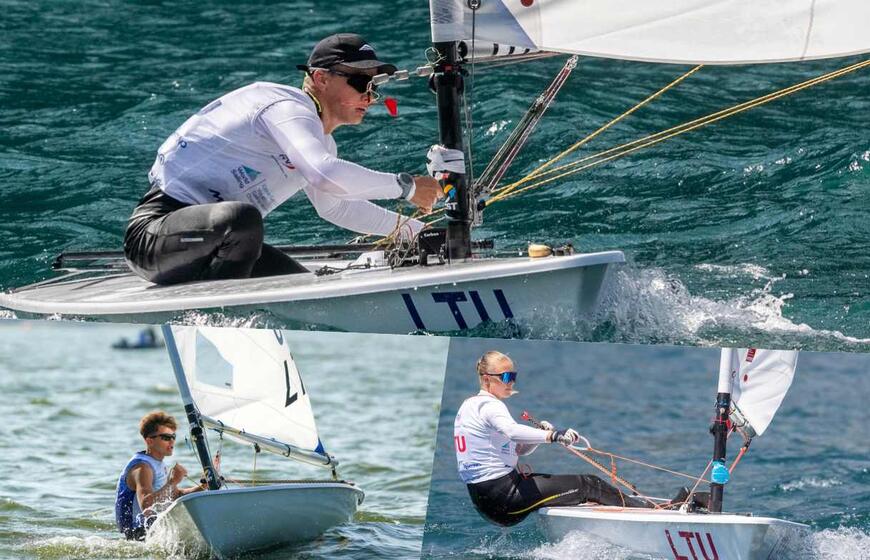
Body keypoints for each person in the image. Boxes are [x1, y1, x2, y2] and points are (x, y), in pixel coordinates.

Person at [124, 33, 453, 285]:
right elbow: (324, 173)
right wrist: (408, 187)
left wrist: (418, 233)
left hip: (221, 240)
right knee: (243, 219)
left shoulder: (319, 142)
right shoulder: (285, 107)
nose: (369, 96)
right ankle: (218, 313)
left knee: (304, 286)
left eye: (374, 85)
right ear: (321, 78)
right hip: (154, 235)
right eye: (360, 82)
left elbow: (336, 207)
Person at [454, 351, 654, 527]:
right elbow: (513, 431)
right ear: (487, 379)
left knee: (573, 487)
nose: (512, 382)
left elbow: (518, 449)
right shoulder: (490, 406)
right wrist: (553, 435)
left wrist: (539, 436)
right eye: (506, 377)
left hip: (485, 501)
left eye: (513, 376)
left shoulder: (469, 406)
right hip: (504, 497)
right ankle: (648, 510)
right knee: (589, 484)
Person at [114, 411, 204, 540]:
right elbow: (146, 504)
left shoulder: (158, 463)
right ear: (149, 441)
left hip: (153, 531)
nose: (172, 441)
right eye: (166, 437)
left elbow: (173, 495)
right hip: (138, 535)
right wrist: (172, 481)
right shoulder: (142, 467)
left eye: (173, 437)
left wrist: (203, 487)